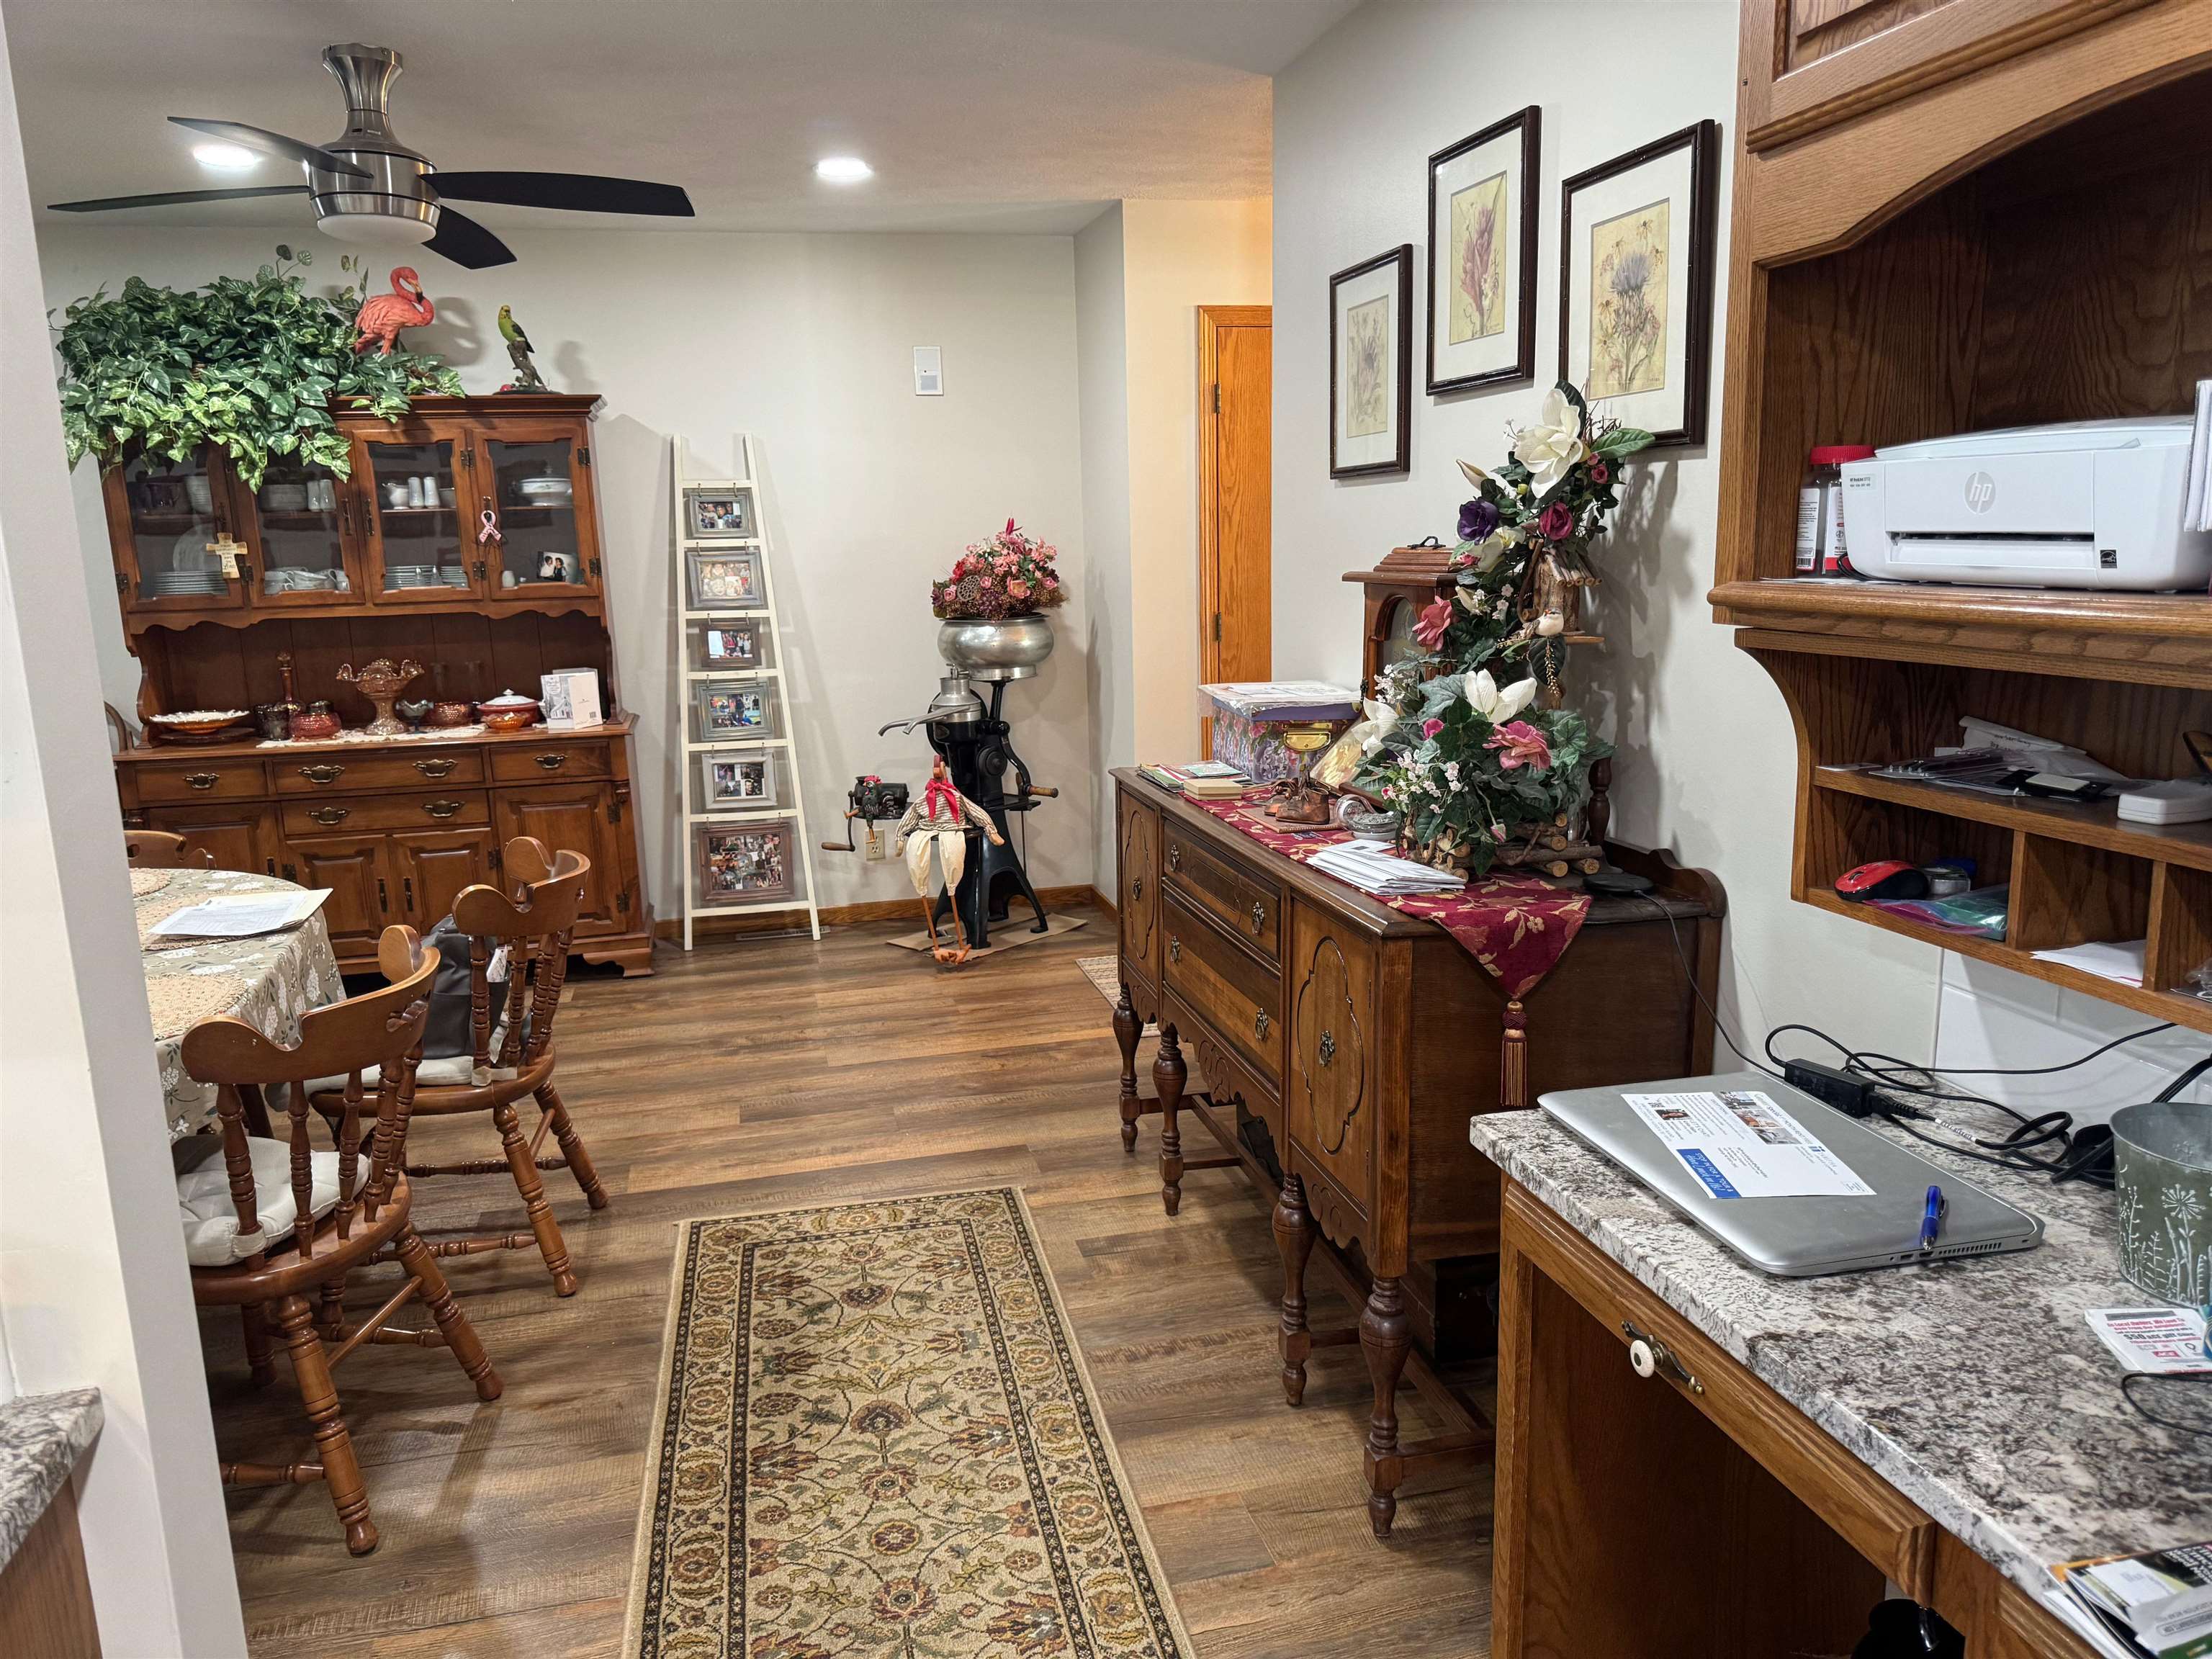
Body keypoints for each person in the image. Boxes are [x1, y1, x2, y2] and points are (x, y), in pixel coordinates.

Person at [895, 755, 1004, 966]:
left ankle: (961, 941)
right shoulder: (925, 798)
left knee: (954, 861)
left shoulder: (956, 796)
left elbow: (974, 811)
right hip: (927, 829)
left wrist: (991, 830)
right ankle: (937, 944)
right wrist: (900, 837)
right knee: (916, 858)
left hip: (953, 829)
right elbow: (911, 815)